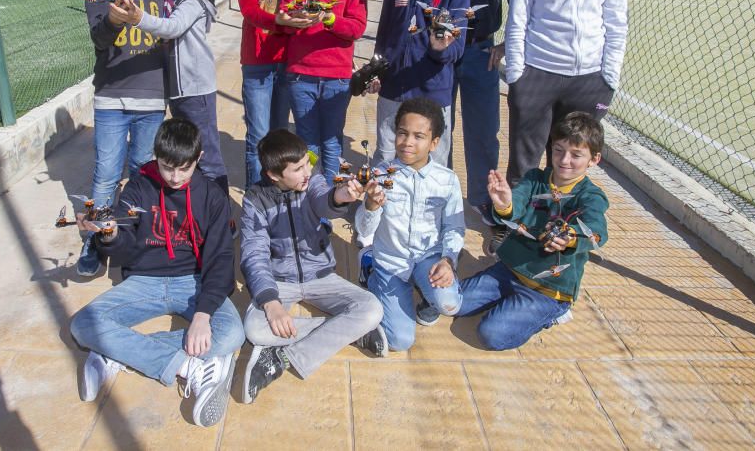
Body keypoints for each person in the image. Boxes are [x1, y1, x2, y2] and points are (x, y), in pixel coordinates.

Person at [69, 118, 244, 427]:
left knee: (232, 331)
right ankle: (188, 367)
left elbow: (220, 259)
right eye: (166, 167)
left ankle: (114, 354)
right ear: (155, 157)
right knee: (83, 325)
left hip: (193, 281)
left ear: (198, 159)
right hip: (143, 281)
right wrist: (109, 235)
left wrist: (203, 315)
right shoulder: (138, 188)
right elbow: (125, 251)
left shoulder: (212, 196)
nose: (175, 177)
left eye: (183, 168)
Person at [503, 0, 626, 232]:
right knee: (525, 162)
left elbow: (617, 23)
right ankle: (514, 229)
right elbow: (517, 22)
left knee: (570, 160)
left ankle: (559, 232)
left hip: (590, 81)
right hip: (536, 75)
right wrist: (517, 75)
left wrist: (609, 77)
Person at [240, 129, 386, 403]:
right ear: (274, 175)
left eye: (307, 163)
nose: (307, 171)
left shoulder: (312, 181)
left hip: (321, 275)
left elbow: (324, 199)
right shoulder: (255, 200)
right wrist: (271, 304)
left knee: (372, 308)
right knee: (254, 327)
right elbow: (254, 254)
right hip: (279, 281)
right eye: (297, 169)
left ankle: (282, 356)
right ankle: (347, 331)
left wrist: (341, 196)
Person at [457, 112, 608, 350]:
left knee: (490, 334)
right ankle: (508, 299)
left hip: (547, 290)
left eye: (576, 155)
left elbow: (597, 232)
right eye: (559, 150)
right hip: (509, 271)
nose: (564, 160)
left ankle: (552, 314)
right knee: (452, 303)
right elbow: (515, 203)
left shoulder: (590, 196)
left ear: (594, 159)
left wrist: (570, 238)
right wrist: (504, 203)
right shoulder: (535, 178)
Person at [114, 0, 228, 194]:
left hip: (195, 89)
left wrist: (137, 17)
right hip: (178, 90)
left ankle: (224, 224)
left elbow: (174, 27)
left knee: (208, 158)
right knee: (186, 158)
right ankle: (198, 217)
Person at [79, 0, 167, 277]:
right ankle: (94, 240)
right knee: (106, 173)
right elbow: (100, 39)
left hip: (151, 99)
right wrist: (114, 20)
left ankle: (135, 234)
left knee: (142, 170)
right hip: (112, 99)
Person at [355, 98, 465, 351]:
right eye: (402, 133)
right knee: (399, 342)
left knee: (451, 304)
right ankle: (371, 268)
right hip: (391, 262)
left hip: (428, 258)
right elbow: (364, 229)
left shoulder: (447, 180)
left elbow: (455, 227)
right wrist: (370, 206)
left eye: (419, 136)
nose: (408, 142)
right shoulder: (381, 176)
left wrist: (448, 261)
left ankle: (429, 298)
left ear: (434, 143)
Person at [368, 0, 470, 167]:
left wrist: (440, 47)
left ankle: (431, 211)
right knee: (387, 155)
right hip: (393, 89)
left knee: (432, 163)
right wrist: (376, 71)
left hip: (432, 91)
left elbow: (456, 47)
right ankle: (383, 209)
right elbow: (385, 35)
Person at [440, 0, 518, 227]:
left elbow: (525, 6)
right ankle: (439, 195)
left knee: (483, 131)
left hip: (481, 53)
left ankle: (483, 200)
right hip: (441, 54)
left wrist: (506, 45)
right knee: (438, 129)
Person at [275, 0, 368, 183]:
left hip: (337, 77)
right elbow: (284, 14)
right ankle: (312, 195)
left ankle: (330, 194)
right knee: (307, 143)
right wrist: (295, 18)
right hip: (301, 74)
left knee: (330, 140)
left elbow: (356, 27)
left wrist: (328, 18)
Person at [231, 0, 301, 189]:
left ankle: (279, 192)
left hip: (287, 59)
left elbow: (297, 2)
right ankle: (255, 198)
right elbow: (249, 9)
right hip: (258, 61)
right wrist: (277, 20)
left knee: (280, 132)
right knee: (258, 136)